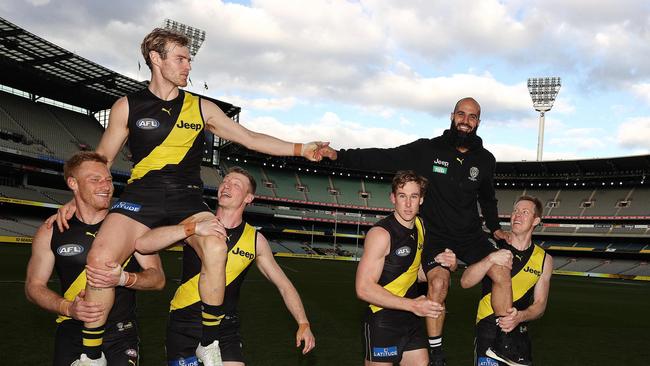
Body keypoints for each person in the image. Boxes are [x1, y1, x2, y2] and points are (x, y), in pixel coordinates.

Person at [51, 28, 327, 366]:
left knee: (215, 245)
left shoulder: (201, 108)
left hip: (187, 198)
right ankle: (92, 356)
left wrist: (302, 148)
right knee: (100, 259)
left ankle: (208, 342)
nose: (188, 66)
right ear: (156, 58)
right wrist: (77, 196)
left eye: (189, 59)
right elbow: (101, 160)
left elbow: (249, 137)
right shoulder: (127, 106)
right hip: (142, 196)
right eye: (181, 58)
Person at [320, 97, 512, 365]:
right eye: (461, 114)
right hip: (436, 235)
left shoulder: (486, 160)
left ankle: (504, 340)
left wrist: (494, 228)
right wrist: (340, 155)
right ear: (452, 116)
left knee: (502, 271)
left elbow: (488, 199)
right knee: (438, 283)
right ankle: (436, 352)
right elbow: (386, 156)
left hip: (471, 235)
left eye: (472, 116)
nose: (466, 121)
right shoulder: (427, 150)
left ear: (478, 122)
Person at [133, 166, 315, 365]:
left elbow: (284, 285)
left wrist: (303, 322)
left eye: (235, 184)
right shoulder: (197, 220)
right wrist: (190, 229)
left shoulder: (255, 240)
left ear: (248, 198)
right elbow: (144, 244)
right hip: (185, 321)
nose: (226, 186)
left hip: (225, 325)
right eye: (225, 181)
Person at [25, 152, 165, 366]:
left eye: (108, 179)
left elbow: (157, 279)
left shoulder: (130, 226)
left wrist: (124, 278)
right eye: (95, 179)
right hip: (72, 331)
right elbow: (33, 287)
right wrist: (67, 307)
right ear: (73, 183)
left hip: (120, 333)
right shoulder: (51, 231)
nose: (106, 186)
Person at [355, 171, 456, 366]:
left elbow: (412, 273)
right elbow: (363, 288)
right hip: (382, 319)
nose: (408, 204)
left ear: (422, 199)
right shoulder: (381, 234)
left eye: (414, 196)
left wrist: (441, 263)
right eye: (402, 196)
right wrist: (413, 305)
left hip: (411, 319)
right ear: (393, 198)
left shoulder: (420, 225)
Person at [460, 196, 552, 366]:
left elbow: (540, 305)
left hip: (518, 335)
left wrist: (520, 317)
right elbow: (465, 281)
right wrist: (489, 259)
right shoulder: (493, 246)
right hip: (488, 329)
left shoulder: (544, 259)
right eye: (515, 211)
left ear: (536, 220)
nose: (517, 215)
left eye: (525, 212)